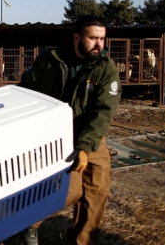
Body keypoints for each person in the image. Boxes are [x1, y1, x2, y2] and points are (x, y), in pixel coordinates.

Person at [17, 15, 121, 245]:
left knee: (96, 193)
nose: (99, 44)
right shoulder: (49, 62)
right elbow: (25, 94)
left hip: (89, 135)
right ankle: (31, 222)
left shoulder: (105, 68)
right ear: (77, 38)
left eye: (102, 39)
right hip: (54, 137)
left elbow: (103, 112)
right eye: (93, 38)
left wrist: (85, 147)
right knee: (69, 191)